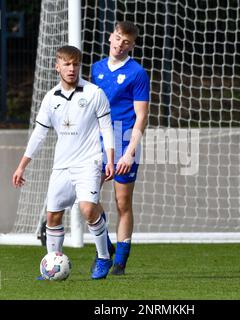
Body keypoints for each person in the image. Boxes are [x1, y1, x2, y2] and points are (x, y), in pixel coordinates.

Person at [12, 45, 116, 280]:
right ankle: (52, 263)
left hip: (89, 162)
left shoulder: (94, 93)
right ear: (57, 66)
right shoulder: (50, 98)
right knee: (53, 216)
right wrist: (21, 166)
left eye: (75, 64)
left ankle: (103, 258)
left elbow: (107, 129)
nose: (71, 69)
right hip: (61, 165)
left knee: (87, 209)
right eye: (67, 64)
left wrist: (110, 159)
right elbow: (39, 134)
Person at [90, 21, 150, 275]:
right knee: (87, 197)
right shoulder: (95, 69)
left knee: (122, 202)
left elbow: (141, 116)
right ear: (110, 38)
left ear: (132, 45)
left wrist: (129, 151)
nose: (119, 44)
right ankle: (105, 243)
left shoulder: (137, 73)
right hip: (96, 142)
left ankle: (121, 262)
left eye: (125, 41)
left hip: (123, 140)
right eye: (117, 38)